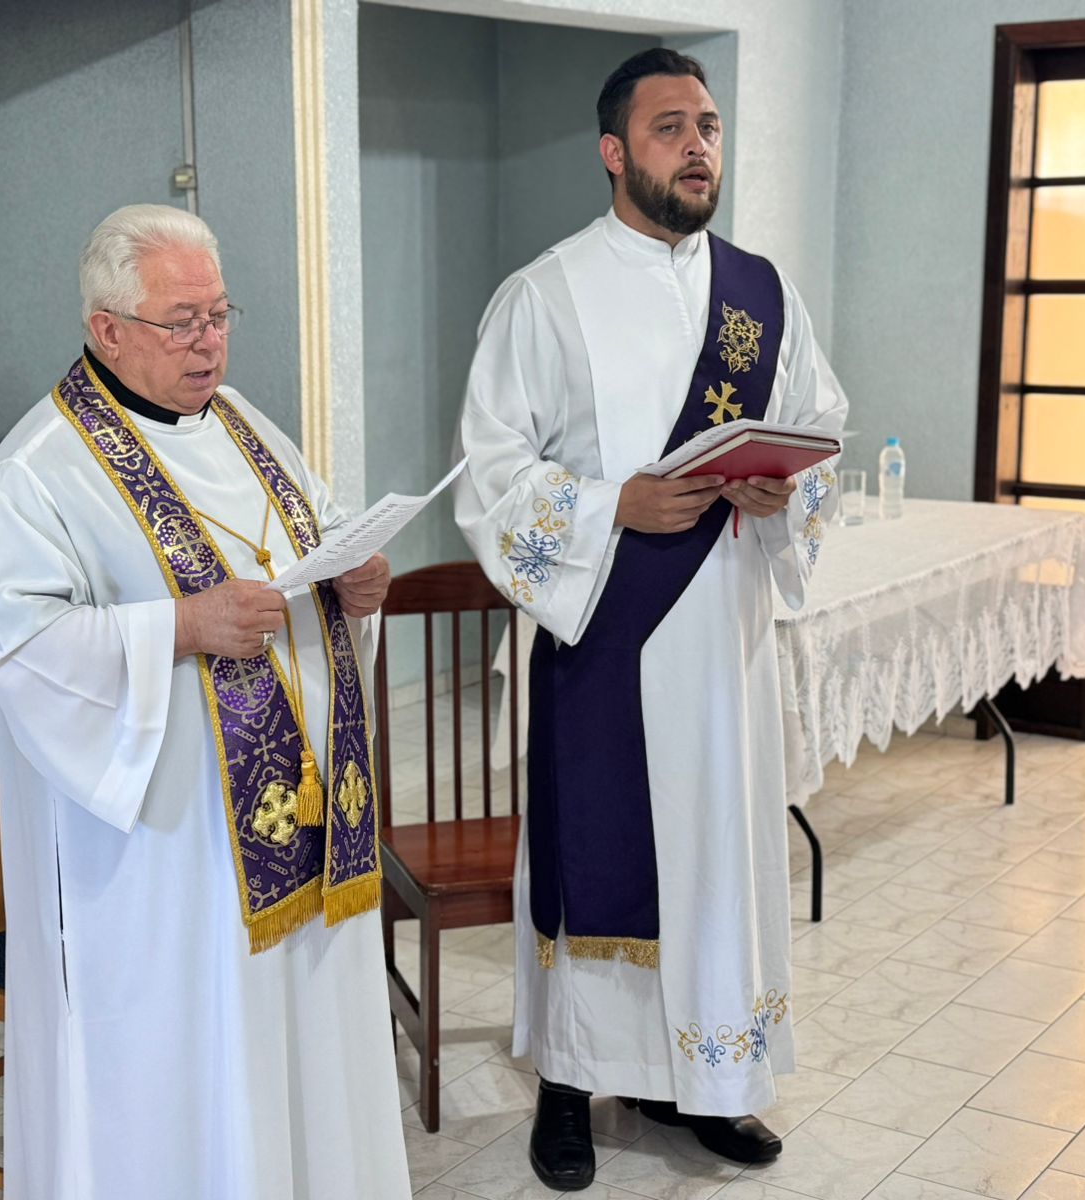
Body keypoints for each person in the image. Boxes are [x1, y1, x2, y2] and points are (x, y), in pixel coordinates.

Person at [452, 48, 849, 1190]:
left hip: (725, 644)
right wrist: (606, 507)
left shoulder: (761, 294)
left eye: (708, 127)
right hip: (607, 636)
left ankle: (706, 1081)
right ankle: (570, 1086)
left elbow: (819, 422)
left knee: (716, 856)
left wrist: (784, 488)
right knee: (598, 857)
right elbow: (489, 472)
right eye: (670, 128)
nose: (697, 147)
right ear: (613, 151)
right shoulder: (546, 294)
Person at [0, 204, 409, 1200]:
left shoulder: (243, 425)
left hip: (304, 834)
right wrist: (178, 626)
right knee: (197, 1066)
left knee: (300, 1046)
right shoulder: (34, 474)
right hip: (165, 863)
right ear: (107, 328)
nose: (209, 343)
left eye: (218, 315)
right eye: (182, 322)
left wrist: (357, 583)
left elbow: (322, 531)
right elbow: (20, 646)